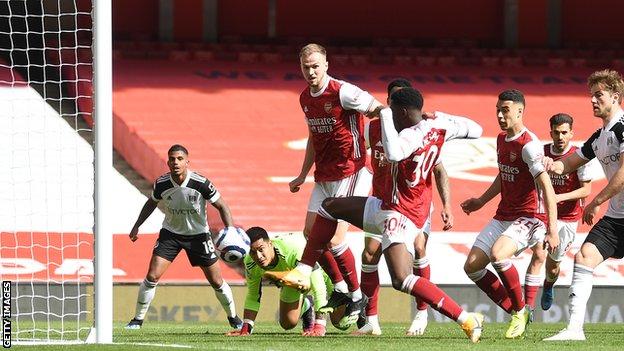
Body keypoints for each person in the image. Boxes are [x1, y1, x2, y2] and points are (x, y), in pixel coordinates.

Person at [266, 87, 486, 343]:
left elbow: (394, 153)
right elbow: (477, 130)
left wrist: (382, 116)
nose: (386, 110)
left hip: (400, 213)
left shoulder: (411, 136)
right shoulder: (440, 125)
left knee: (402, 279)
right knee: (329, 207)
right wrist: (441, 116)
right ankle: (305, 271)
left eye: (390, 107)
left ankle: (466, 319)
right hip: (383, 204)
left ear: (401, 111)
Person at [289, 43, 383, 325]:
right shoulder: (305, 98)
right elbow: (312, 137)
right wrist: (302, 174)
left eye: (316, 66)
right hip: (324, 175)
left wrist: (384, 148)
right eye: (306, 67)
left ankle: (355, 294)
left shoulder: (344, 91)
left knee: (334, 238)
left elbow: (379, 110)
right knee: (310, 233)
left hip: (351, 170)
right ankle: (344, 289)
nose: (311, 71)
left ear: (327, 65)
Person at [356, 78, 454, 336]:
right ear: (388, 103)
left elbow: (440, 170)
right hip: (382, 202)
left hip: (415, 204)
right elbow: (358, 159)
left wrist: (447, 206)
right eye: (393, 100)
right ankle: (371, 321)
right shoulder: (373, 129)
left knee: (419, 248)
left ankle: (422, 314)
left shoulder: (423, 132)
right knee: (369, 255)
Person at [461, 89, 559, 339]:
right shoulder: (501, 140)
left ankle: (520, 311)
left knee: (498, 255)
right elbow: (503, 175)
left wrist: (552, 230)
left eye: (505, 110)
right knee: (472, 267)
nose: (500, 115)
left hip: (530, 216)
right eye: (498, 110)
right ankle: (518, 311)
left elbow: (546, 186)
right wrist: (481, 201)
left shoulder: (529, 145)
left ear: (519, 111)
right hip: (504, 214)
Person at [543, 69, 624, 341]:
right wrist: (550, 164)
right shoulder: (598, 138)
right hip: (616, 218)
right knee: (585, 256)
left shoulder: (623, 128)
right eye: (591, 95)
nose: (592, 100)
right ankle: (574, 330)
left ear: (615, 97)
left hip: (610, 209)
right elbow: (569, 163)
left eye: (598, 95)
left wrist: (596, 202)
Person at [125, 144, 242, 330]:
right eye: (172, 159)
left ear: (187, 162)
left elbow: (222, 205)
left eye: (180, 159)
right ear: (168, 161)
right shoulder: (162, 183)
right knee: (152, 275)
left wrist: (230, 229)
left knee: (217, 281)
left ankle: (234, 318)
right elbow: (151, 203)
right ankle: (137, 320)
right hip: (170, 235)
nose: (176, 162)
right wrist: (137, 225)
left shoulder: (201, 183)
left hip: (199, 236)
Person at [523, 114, 592, 311]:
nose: (560, 137)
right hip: (542, 215)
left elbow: (586, 190)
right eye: (556, 132)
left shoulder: (579, 156)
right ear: (550, 132)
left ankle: (548, 285)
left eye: (564, 132)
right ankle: (527, 309)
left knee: (552, 266)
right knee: (539, 253)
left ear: (571, 133)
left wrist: (558, 198)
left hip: (568, 218)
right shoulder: (541, 153)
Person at [226, 227, 335, 337]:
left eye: (261, 249)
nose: (258, 256)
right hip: (293, 280)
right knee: (287, 323)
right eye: (253, 252)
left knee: (341, 323)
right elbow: (253, 295)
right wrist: (246, 328)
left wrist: (319, 325)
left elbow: (319, 286)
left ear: (270, 244)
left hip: (325, 274)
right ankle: (306, 305)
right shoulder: (250, 262)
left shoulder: (292, 250)